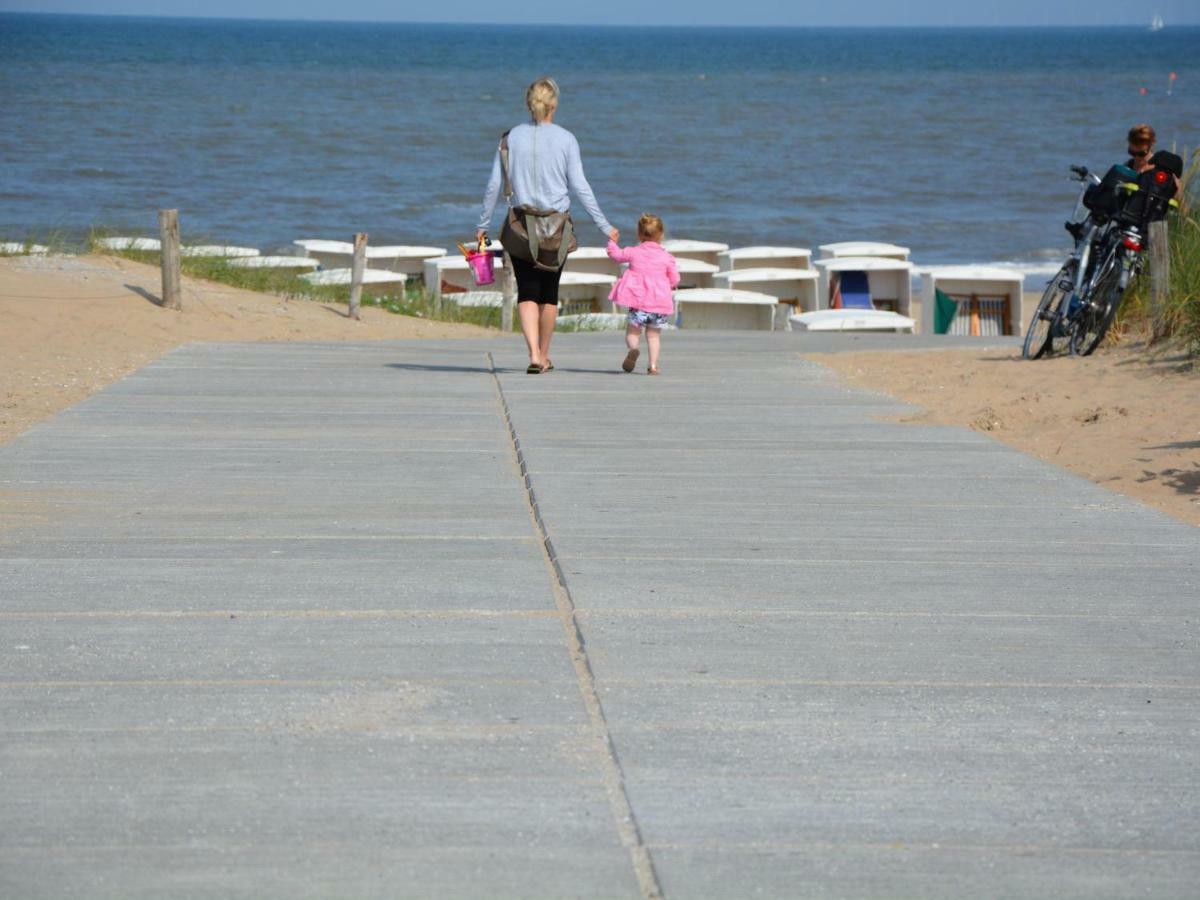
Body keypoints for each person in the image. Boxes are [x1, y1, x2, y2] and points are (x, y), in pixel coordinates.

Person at [477, 77, 619, 374]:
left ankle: (533, 355)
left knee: (527, 291)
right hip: (556, 227)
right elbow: (580, 187)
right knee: (548, 292)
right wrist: (604, 226)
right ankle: (544, 353)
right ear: (554, 104)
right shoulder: (567, 139)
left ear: (529, 103)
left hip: (520, 225)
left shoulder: (509, 137)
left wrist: (483, 225)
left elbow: (494, 185)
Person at [606, 214, 680, 376]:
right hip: (659, 304)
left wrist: (612, 241)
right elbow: (675, 278)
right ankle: (653, 366)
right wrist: (668, 284)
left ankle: (633, 349)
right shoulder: (667, 257)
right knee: (654, 336)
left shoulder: (633, 252)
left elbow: (616, 255)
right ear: (661, 235)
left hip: (638, 303)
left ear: (639, 235)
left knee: (632, 333)